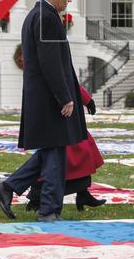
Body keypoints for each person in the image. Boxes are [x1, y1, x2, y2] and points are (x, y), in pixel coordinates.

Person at [0, 0, 87, 222]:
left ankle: (8, 187)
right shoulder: (46, 17)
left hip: (43, 97)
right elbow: (50, 62)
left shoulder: (37, 15)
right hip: (50, 99)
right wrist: (64, 97)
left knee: (51, 151)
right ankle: (48, 211)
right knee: (55, 154)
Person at [26, 83, 106, 212]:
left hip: (60, 104)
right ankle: (36, 196)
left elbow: (66, 77)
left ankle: (83, 194)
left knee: (80, 150)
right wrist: (85, 99)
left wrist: (85, 99)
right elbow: (63, 77)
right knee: (67, 154)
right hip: (60, 107)